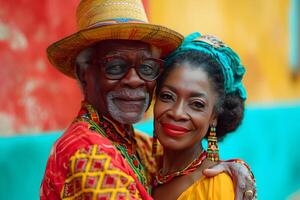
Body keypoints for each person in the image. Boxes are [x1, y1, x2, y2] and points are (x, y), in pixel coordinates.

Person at [40, 0, 256, 199]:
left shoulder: (135, 144)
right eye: (115, 66)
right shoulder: (91, 155)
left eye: (146, 67)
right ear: (84, 73)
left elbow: (185, 164)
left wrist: (231, 169)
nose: (134, 80)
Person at [152, 32, 255, 200]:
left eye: (197, 104)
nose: (177, 113)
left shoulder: (214, 187)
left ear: (214, 115)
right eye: (167, 96)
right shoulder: (143, 165)